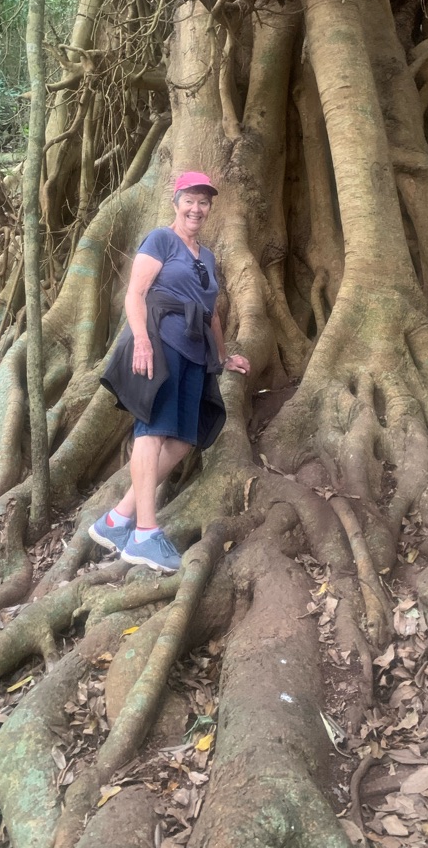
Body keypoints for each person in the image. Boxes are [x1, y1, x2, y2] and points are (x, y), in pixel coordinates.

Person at [92, 171, 250, 573]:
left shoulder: (207, 256)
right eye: (190, 200)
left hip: (196, 351)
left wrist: (223, 357)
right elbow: (135, 293)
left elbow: (212, 313)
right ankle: (145, 533)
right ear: (176, 202)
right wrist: (142, 341)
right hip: (162, 343)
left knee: (182, 440)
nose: (196, 208)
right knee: (153, 431)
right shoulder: (161, 239)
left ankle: (117, 519)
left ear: (210, 208)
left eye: (204, 202)